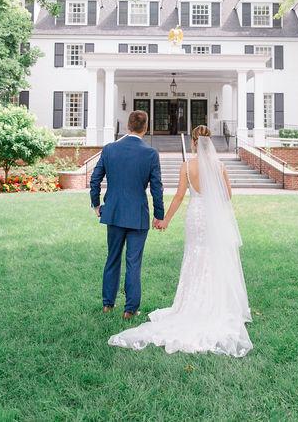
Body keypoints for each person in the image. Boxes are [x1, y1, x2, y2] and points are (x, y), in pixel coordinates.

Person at [108, 125, 252, 357]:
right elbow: (227, 196)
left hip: (195, 217)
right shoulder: (220, 166)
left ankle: (191, 304)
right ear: (209, 142)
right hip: (212, 217)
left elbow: (178, 196)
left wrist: (164, 220)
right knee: (214, 257)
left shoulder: (187, 167)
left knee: (195, 257)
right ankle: (216, 303)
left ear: (194, 143)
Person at [89, 110, 164, 319]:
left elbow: (95, 179)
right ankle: (130, 310)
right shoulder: (150, 154)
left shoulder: (110, 149)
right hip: (138, 215)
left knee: (112, 258)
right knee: (134, 262)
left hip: (113, 212)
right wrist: (159, 215)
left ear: (127, 126)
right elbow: (157, 188)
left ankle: (107, 305)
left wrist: (96, 203)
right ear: (146, 127)